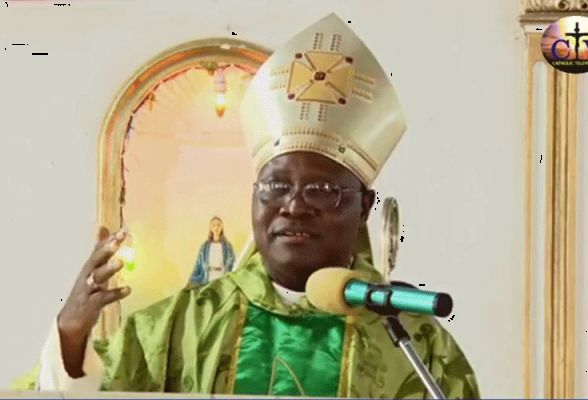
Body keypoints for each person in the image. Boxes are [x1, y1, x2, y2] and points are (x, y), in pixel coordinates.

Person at [13, 13, 480, 397]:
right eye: (275, 187)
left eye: (320, 190)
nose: (293, 206)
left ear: (364, 207)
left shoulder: (414, 341)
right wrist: (71, 336)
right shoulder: (179, 326)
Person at [188, 216, 236, 286]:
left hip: (222, 278)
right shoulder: (204, 247)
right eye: (213, 225)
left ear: (222, 227)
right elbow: (198, 265)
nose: (216, 228)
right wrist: (191, 280)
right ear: (211, 228)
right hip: (208, 278)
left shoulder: (228, 246)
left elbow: (233, 263)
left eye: (218, 225)